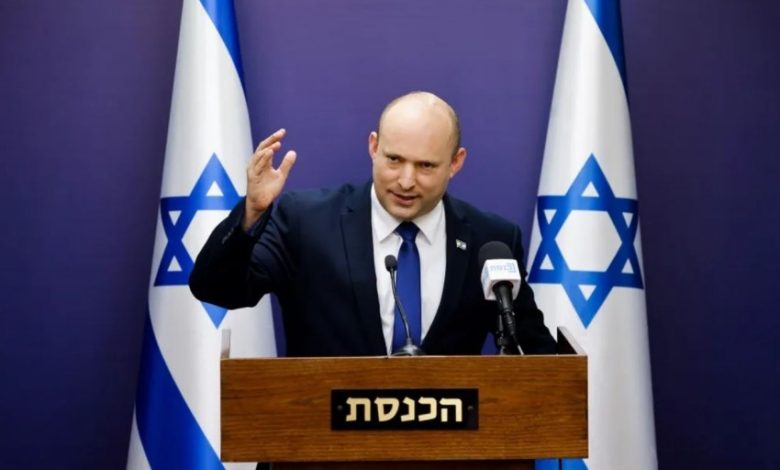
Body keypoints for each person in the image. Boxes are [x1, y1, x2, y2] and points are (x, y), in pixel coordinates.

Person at [189, 91, 556, 356]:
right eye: (394, 159)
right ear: (373, 146)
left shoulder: (490, 240)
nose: (406, 181)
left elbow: (537, 353)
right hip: (321, 436)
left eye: (426, 166)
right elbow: (217, 289)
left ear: (455, 162)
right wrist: (251, 212)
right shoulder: (305, 222)